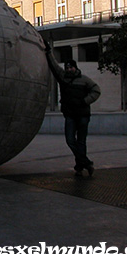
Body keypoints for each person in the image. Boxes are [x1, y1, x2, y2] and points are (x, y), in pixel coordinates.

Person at [45, 44, 101, 177]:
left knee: (81, 142)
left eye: (71, 67)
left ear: (76, 67)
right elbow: (54, 66)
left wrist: (85, 101)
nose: (69, 69)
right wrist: (48, 52)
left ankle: (80, 166)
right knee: (70, 140)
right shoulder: (63, 77)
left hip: (82, 115)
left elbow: (97, 90)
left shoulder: (84, 80)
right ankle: (86, 163)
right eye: (67, 67)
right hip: (70, 115)